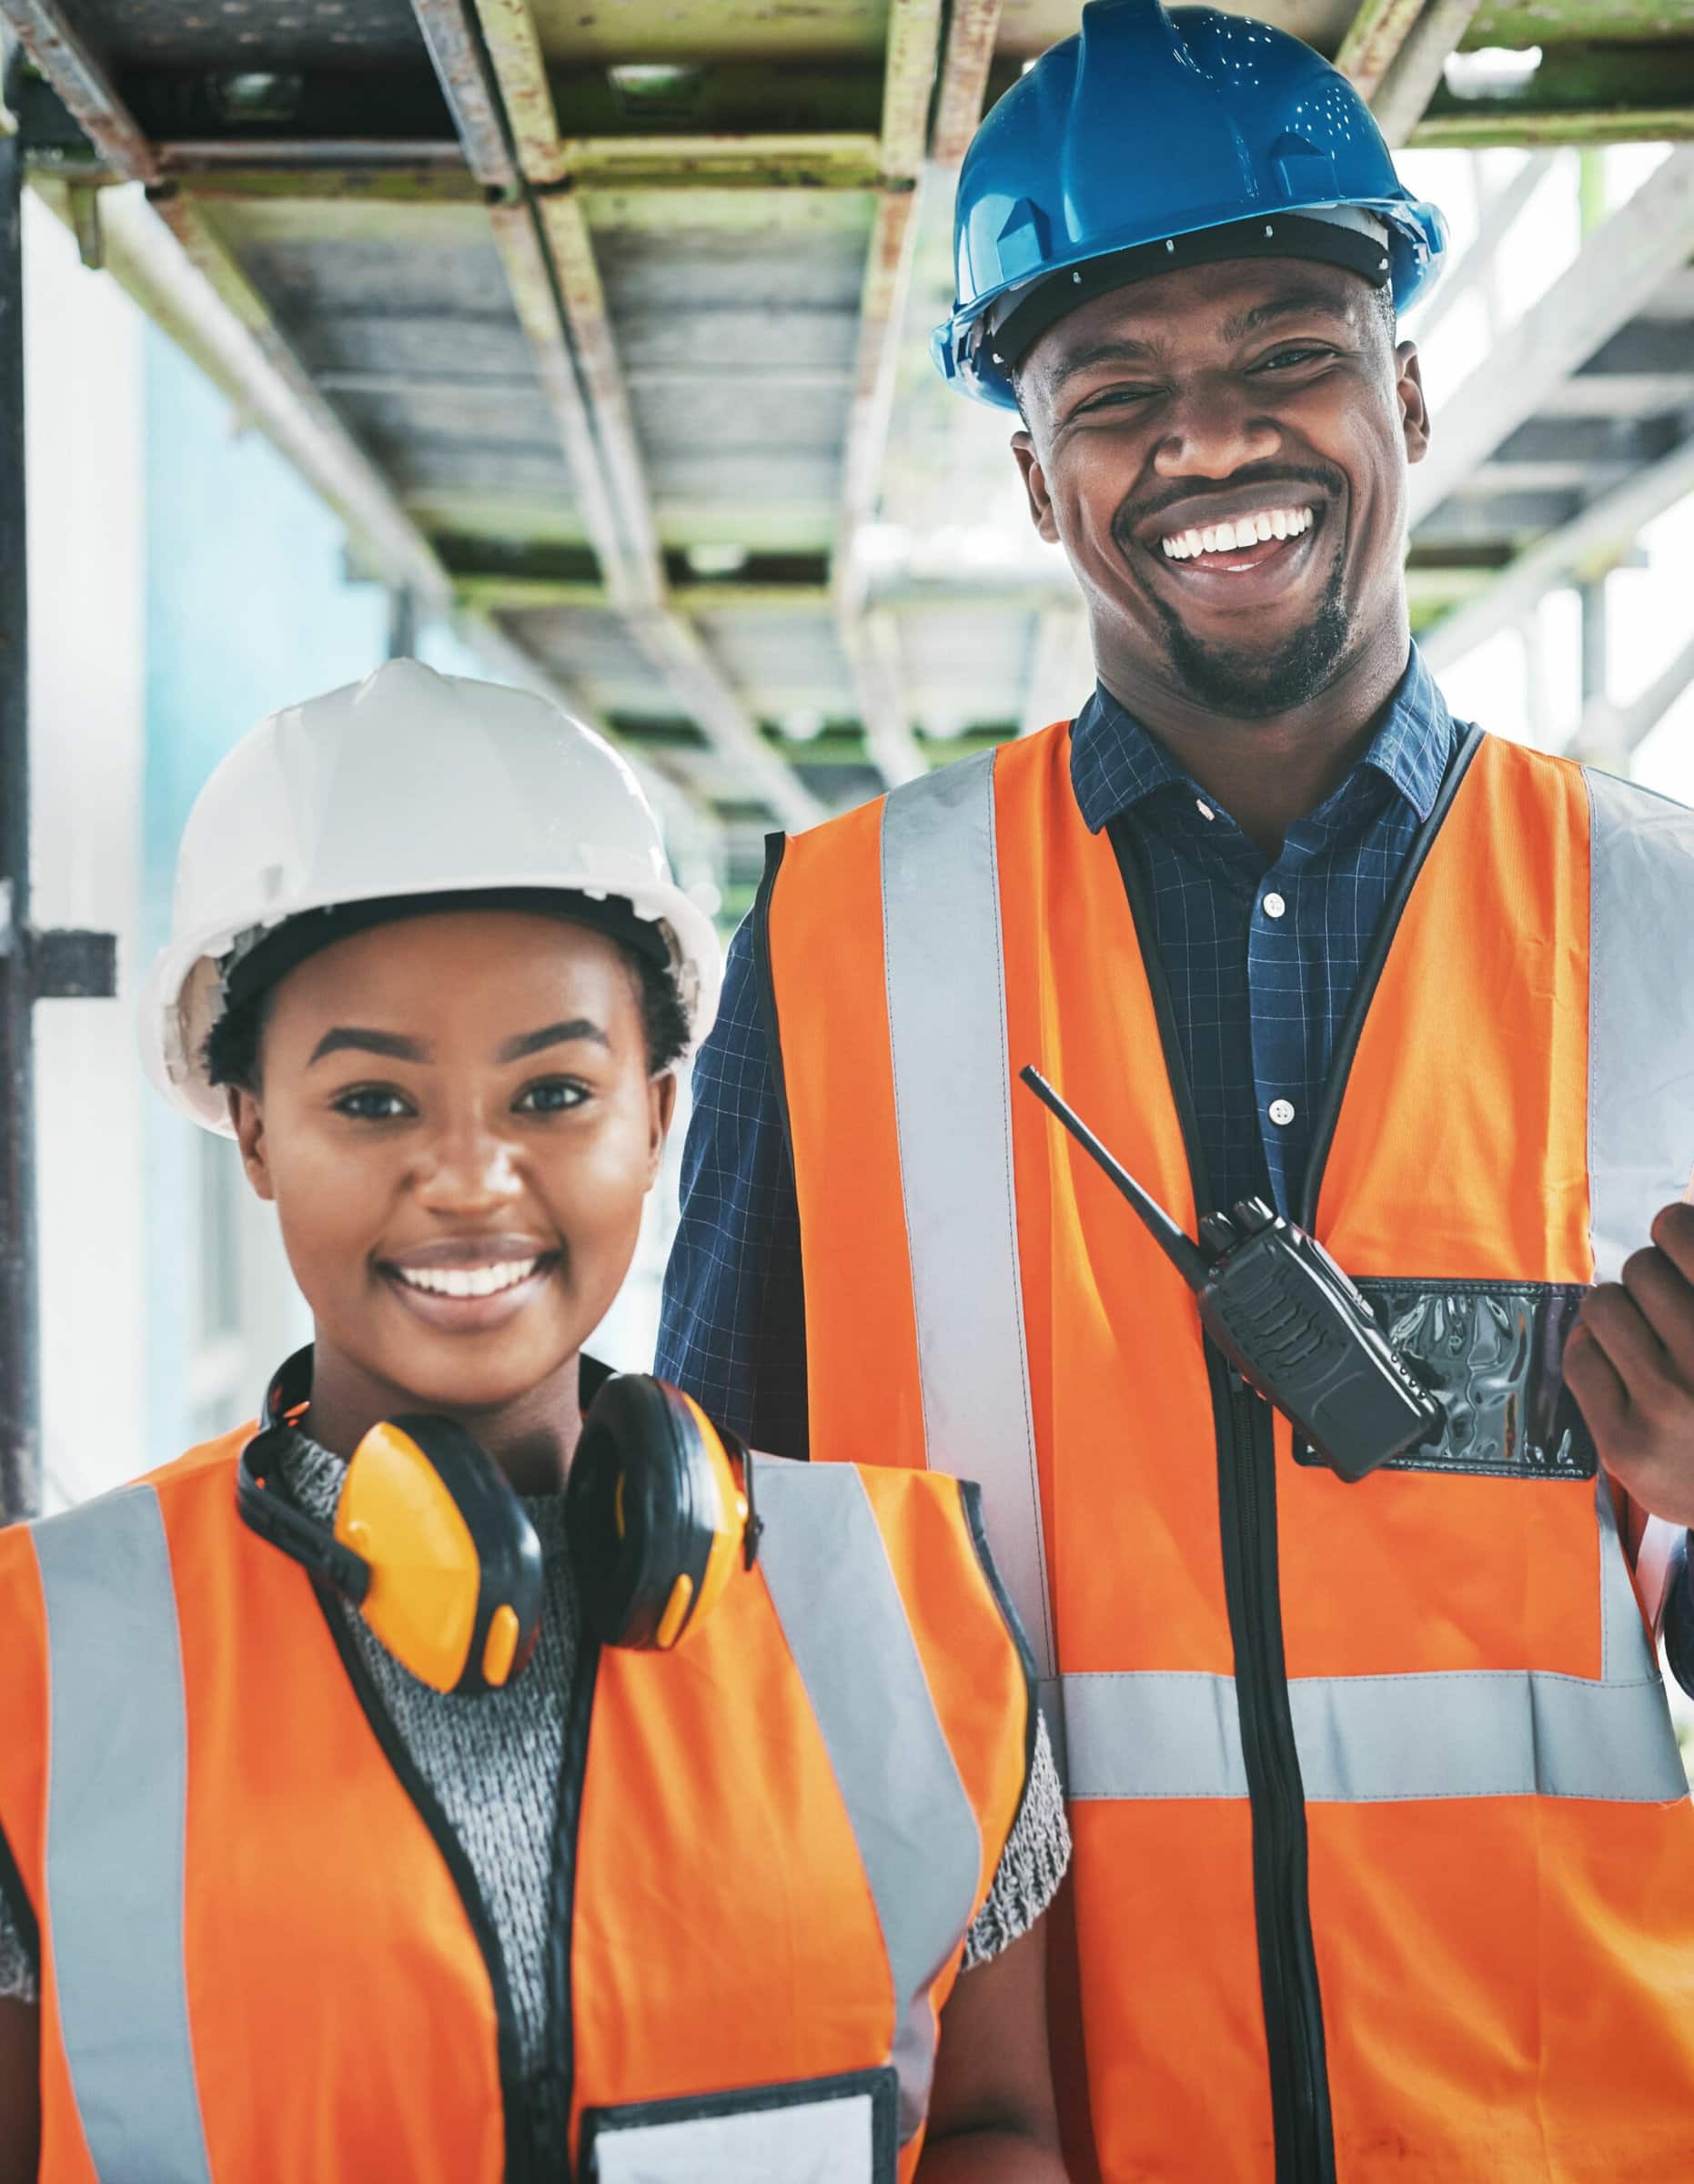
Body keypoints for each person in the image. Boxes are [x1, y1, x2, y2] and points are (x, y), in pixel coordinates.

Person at [657, 5, 1694, 2178]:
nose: (1207, 444)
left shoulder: (1669, 922)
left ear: (1403, 387)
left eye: (1284, 354)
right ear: (1036, 478)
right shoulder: (842, 940)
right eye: (1112, 395)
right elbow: (727, 1629)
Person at [0, 660, 1073, 2183]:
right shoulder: (37, 1658)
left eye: (553, 1093)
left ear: (658, 1115)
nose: (472, 1179)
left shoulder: (912, 1609)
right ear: (251, 1130)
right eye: (372, 1103)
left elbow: (992, 2131)